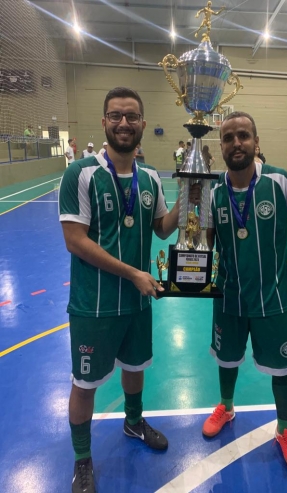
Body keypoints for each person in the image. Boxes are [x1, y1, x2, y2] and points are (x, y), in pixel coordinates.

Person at [59, 86, 186, 493]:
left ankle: (133, 423)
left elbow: (162, 228)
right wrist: (133, 272)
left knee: (135, 369)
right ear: (104, 122)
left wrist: (190, 195)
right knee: (85, 384)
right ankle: (82, 461)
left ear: (143, 124)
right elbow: (75, 240)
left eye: (131, 116)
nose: (124, 123)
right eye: (116, 116)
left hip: (137, 303)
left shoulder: (150, 177)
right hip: (92, 305)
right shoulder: (80, 174)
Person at [202, 112, 287, 473]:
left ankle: (284, 429)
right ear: (222, 146)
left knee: (282, 368)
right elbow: (205, 241)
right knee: (226, 359)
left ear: (255, 142)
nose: (236, 143)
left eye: (243, 136)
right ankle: (226, 407)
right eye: (228, 138)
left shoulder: (278, 180)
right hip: (228, 297)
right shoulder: (213, 190)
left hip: (272, 298)